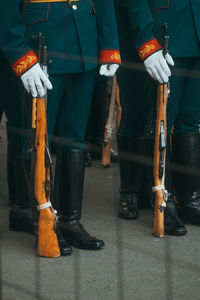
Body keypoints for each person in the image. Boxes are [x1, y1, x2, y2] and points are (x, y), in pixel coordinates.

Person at [0, 0, 121, 252]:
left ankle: (70, 221)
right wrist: (19, 52)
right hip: (40, 42)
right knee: (36, 138)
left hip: (83, 40)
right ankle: (37, 216)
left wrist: (109, 42)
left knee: (75, 138)